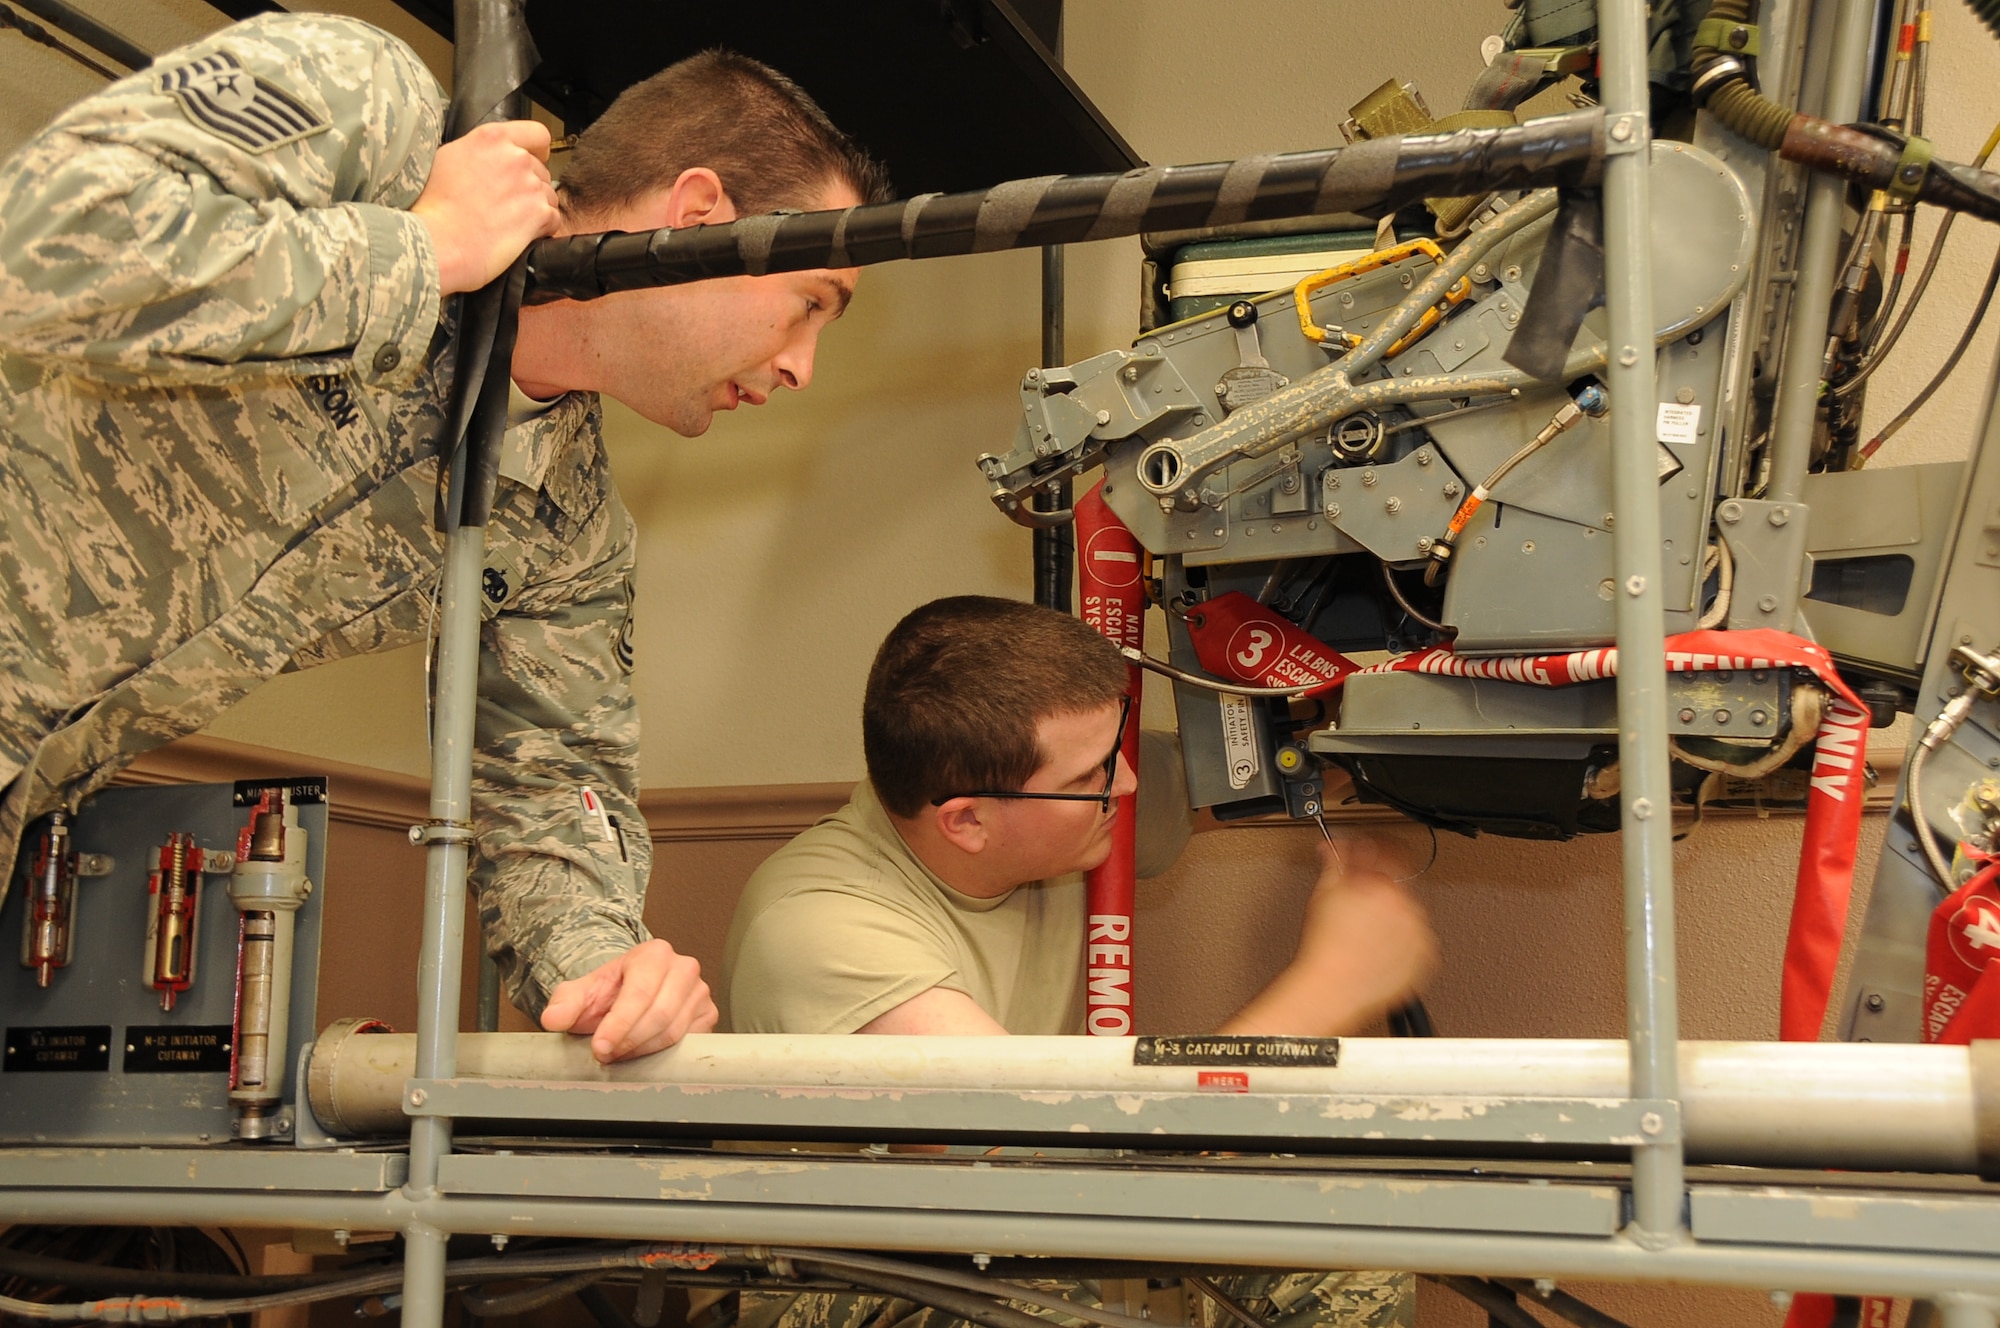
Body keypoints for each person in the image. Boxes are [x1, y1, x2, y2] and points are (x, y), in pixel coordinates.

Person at [0, 12, 891, 1062]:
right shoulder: (374, 118)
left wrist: (607, 970)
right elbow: (46, 243)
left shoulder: (567, 533)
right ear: (696, 211)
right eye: (808, 303)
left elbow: (547, 801)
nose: (801, 368)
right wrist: (420, 251)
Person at [717, 595, 1436, 1328]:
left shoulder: (1040, 815)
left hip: (1030, 1212)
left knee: (1337, 1223)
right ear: (967, 820)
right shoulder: (821, 927)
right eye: (1091, 776)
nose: (1124, 785)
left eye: (1116, 750)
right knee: (1066, 1297)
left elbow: (1259, 771)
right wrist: (1328, 989)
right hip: (837, 1270)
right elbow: (1046, 1166)